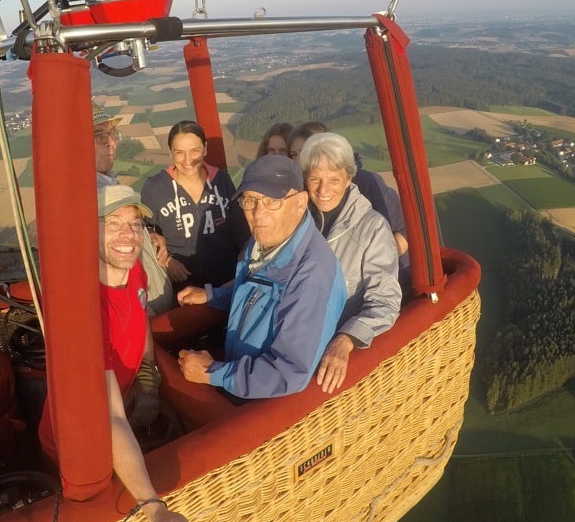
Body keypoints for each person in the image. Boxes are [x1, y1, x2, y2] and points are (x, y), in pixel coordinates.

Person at [39, 185, 198, 522]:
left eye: (134, 223)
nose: (128, 235)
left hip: (122, 410)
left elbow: (140, 315)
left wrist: (146, 375)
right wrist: (155, 510)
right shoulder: (84, 312)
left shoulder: (134, 269)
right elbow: (108, 418)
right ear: (88, 231)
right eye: (113, 224)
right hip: (78, 443)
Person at [175, 155, 346, 399]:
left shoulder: (311, 276)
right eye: (250, 200)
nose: (258, 213)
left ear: (300, 203)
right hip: (244, 384)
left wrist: (213, 372)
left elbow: (289, 372)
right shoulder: (266, 242)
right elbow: (256, 290)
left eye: (272, 201)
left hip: (266, 406)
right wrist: (214, 295)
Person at [299, 132, 402, 394]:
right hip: (294, 340)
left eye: (334, 179)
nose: (323, 189)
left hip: (327, 349)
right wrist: (215, 294)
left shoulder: (373, 229)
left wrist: (346, 340)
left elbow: (385, 302)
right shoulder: (297, 219)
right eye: (315, 179)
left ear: (348, 178)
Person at [92, 103, 174, 315]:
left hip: (153, 309)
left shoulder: (109, 183)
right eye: (99, 135)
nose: (111, 142)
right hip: (142, 316)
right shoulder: (88, 198)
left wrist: (148, 235)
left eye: (112, 133)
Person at [141, 120, 239, 290]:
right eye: (179, 152)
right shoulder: (155, 188)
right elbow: (144, 230)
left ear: (205, 149)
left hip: (225, 282)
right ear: (170, 152)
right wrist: (168, 261)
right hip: (181, 285)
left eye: (195, 151)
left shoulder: (221, 180)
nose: (188, 160)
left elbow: (238, 226)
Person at [289, 121, 410, 258]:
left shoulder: (367, 183)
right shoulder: (299, 199)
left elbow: (405, 230)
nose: (300, 160)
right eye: (294, 155)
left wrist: (375, 259)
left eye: (306, 151)